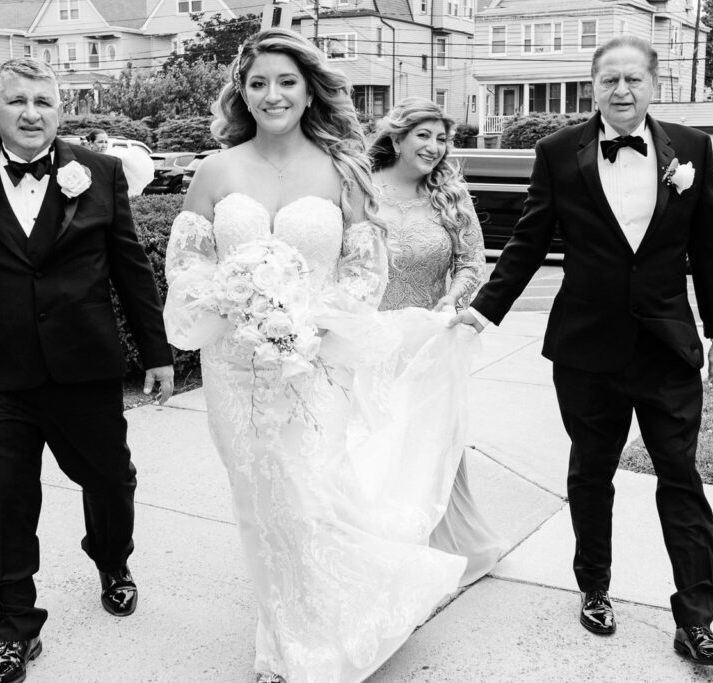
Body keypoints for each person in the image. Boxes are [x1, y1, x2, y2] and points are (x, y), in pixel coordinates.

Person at [164, 28, 478, 682]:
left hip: (317, 363)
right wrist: (233, 298)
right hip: (236, 368)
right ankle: (279, 642)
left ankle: (317, 638)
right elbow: (189, 261)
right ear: (241, 94)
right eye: (258, 83)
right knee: (258, 503)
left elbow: (365, 269)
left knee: (308, 498)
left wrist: (308, 323)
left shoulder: (342, 170)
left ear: (309, 90)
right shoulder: (216, 171)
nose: (272, 94)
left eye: (286, 81)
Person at [450, 35, 713, 665]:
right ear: (593, 86)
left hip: (667, 348)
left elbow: (710, 248)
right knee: (591, 472)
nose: (622, 91)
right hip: (586, 350)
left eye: (634, 79)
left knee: (681, 479)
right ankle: (595, 589)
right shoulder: (557, 153)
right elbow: (528, 241)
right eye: (609, 80)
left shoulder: (692, 149)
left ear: (654, 84)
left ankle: (696, 618)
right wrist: (481, 312)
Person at [0, 58, 175, 683]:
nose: (32, 113)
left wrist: (158, 353)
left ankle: (112, 560)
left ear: (61, 109)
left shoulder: (101, 173)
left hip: (84, 367)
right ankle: (16, 628)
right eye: (17, 101)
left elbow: (130, 268)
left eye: (44, 102)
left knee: (110, 480)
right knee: (1, 501)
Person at [368, 96, 506, 585]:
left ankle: (436, 540)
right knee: (374, 440)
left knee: (429, 440)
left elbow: (472, 261)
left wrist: (450, 302)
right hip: (373, 340)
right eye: (423, 135)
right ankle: (375, 539)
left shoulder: (450, 193)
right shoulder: (360, 189)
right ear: (398, 138)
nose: (434, 147)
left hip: (430, 341)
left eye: (442, 138)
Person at [84, 127, 155, 196]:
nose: (104, 145)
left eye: (106, 142)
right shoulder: (84, 159)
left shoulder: (113, 159)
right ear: (91, 143)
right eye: (100, 142)